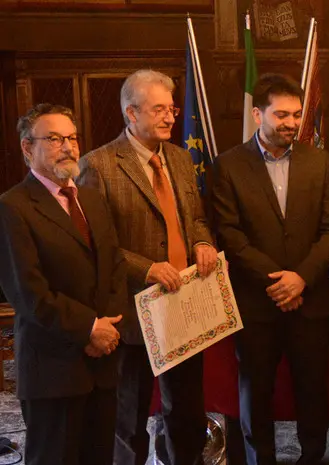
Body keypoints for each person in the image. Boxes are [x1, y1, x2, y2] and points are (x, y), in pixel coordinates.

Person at [77, 69, 218, 465]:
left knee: (187, 414)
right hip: (133, 312)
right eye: (159, 109)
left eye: (172, 109)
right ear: (130, 113)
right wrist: (146, 268)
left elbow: (197, 218)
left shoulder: (180, 158)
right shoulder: (99, 166)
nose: (170, 116)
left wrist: (203, 241)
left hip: (185, 307)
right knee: (129, 420)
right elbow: (96, 246)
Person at [211, 73, 329, 465]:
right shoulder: (228, 165)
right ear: (257, 114)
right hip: (256, 303)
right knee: (256, 390)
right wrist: (277, 282)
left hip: (311, 297)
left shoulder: (319, 161)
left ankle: (312, 458)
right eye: (281, 114)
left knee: (312, 389)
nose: (290, 123)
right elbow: (229, 234)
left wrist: (300, 278)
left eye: (296, 115)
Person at [0, 104, 127, 464]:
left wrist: (109, 328)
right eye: (54, 139)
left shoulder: (91, 198)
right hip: (53, 369)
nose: (68, 147)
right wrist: (89, 329)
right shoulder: (13, 207)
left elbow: (115, 266)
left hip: (102, 365)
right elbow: (29, 293)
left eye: (71, 137)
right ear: (28, 148)